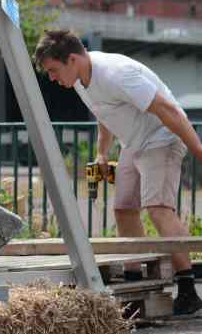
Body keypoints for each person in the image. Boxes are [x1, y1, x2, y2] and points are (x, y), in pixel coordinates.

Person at [34, 29, 202, 316]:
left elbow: (169, 110)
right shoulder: (79, 80)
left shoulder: (116, 73)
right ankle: (135, 286)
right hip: (133, 143)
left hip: (161, 137)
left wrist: (200, 153)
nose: (51, 78)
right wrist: (102, 152)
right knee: (123, 208)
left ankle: (187, 290)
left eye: (53, 70)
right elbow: (104, 114)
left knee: (158, 209)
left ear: (72, 59)